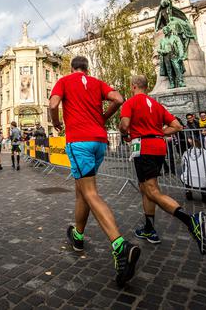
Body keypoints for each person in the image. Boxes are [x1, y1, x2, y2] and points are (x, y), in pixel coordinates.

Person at [50, 56, 139, 287]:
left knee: (90, 193)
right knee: (82, 190)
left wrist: (56, 122)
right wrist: (103, 117)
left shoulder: (65, 81)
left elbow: (53, 104)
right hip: (99, 141)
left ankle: (120, 246)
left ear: (72, 68)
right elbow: (119, 98)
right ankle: (78, 237)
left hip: (79, 141)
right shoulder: (96, 82)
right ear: (87, 68)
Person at [119, 75, 206, 255]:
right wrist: (158, 132)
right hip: (158, 147)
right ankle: (149, 227)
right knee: (145, 187)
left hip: (144, 148)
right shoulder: (157, 105)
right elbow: (176, 126)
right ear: (145, 86)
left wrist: (125, 131)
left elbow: (125, 124)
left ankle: (191, 221)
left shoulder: (130, 102)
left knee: (152, 190)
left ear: (134, 86)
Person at [180, 138, 206, 203]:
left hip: (189, 180)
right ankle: (204, 194)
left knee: (182, 175)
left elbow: (182, 164)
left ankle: (188, 191)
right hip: (205, 182)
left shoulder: (186, 153)